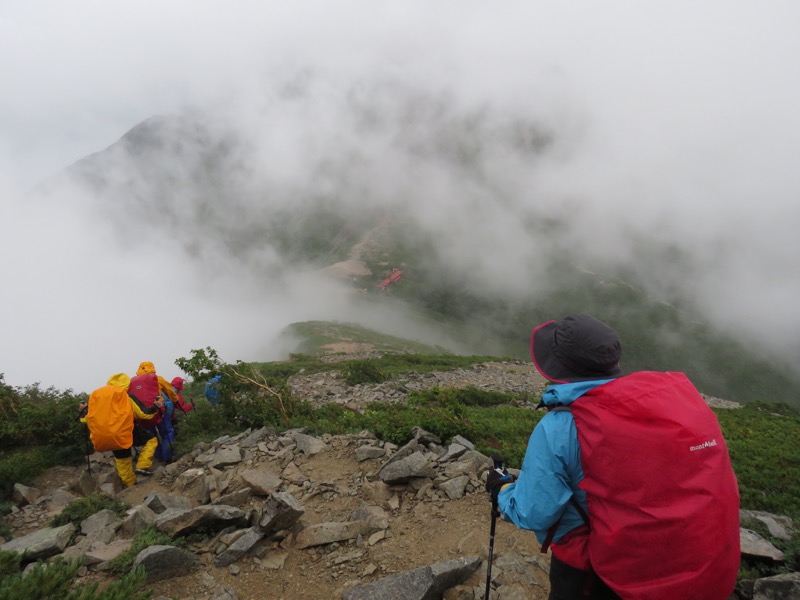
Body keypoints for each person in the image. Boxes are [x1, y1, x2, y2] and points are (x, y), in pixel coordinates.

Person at [485, 314, 740, 600]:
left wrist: (502, 490)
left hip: (596, 576)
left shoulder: (560, 427)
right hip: (700, 569)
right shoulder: (664, 405)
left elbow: (535, 512)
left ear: (556, 369)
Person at [79, 373, 164, 487]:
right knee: (151, 441)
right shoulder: (126, 396)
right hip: (126, 432)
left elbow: (85, 419)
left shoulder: (97, 399)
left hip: (106, 438)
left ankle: (131, 485)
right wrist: (156, 406)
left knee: (122, 462)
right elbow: (144, 414)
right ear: (126, 385)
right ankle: (142, 466)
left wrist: (83, 410)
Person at [128, 361, 178, 474]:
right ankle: (167, 458)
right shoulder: (157, 378)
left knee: (152, 438)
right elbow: (170, 390)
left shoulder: (131, 382)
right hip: (158, 411)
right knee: (167, 433)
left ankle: (159, 457)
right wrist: (175, 400)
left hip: (143, 416)